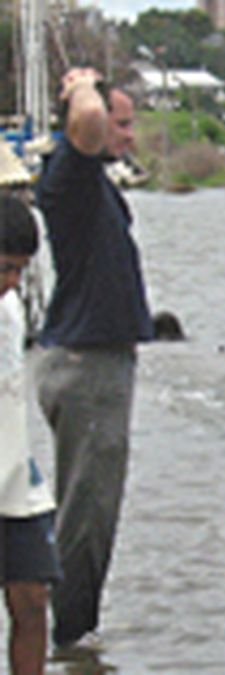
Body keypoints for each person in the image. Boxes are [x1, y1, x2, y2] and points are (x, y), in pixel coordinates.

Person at [31, 67, 154, 651]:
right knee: (88, 517)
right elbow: (84, 121)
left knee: (87, 512)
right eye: (121, 123)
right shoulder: (69, 175)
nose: (128, 135)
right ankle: (71, 642)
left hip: (92, 361)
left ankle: (71, 635)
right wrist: (83, 83)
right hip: (88, 366)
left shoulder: (89, 181)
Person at [0, 194, 61, 674]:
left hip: (13, 469)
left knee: (32, 597)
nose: (13, 282)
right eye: (5, 268)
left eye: (21, 271)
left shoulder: (11, 311)